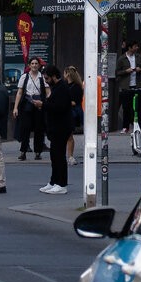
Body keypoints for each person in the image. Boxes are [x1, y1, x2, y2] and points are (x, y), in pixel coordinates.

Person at [38, 65, 82, 194]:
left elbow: (60, 107)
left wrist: (43, 104)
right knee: (54, 155)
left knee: (59, 156)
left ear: (53, 76)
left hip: (61, 127)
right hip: (56, 127)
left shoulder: (62, 88)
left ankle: (61, 184)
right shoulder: (57, 87)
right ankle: (53, 181)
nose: (45, 80)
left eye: (46, 78)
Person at [13, 61, 47, 160]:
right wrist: (15, 107)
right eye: (32, 63)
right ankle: (23, 151)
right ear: (29, 65)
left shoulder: (42, 77)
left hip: (39, 104)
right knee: (25, 128)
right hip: (27, 104)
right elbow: (19, 93)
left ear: (39, 65)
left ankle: (38, 152)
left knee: (39, 129)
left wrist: (47, 104)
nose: (34, 65)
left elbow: (48, 92)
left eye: (36, 63)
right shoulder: (24, 77)